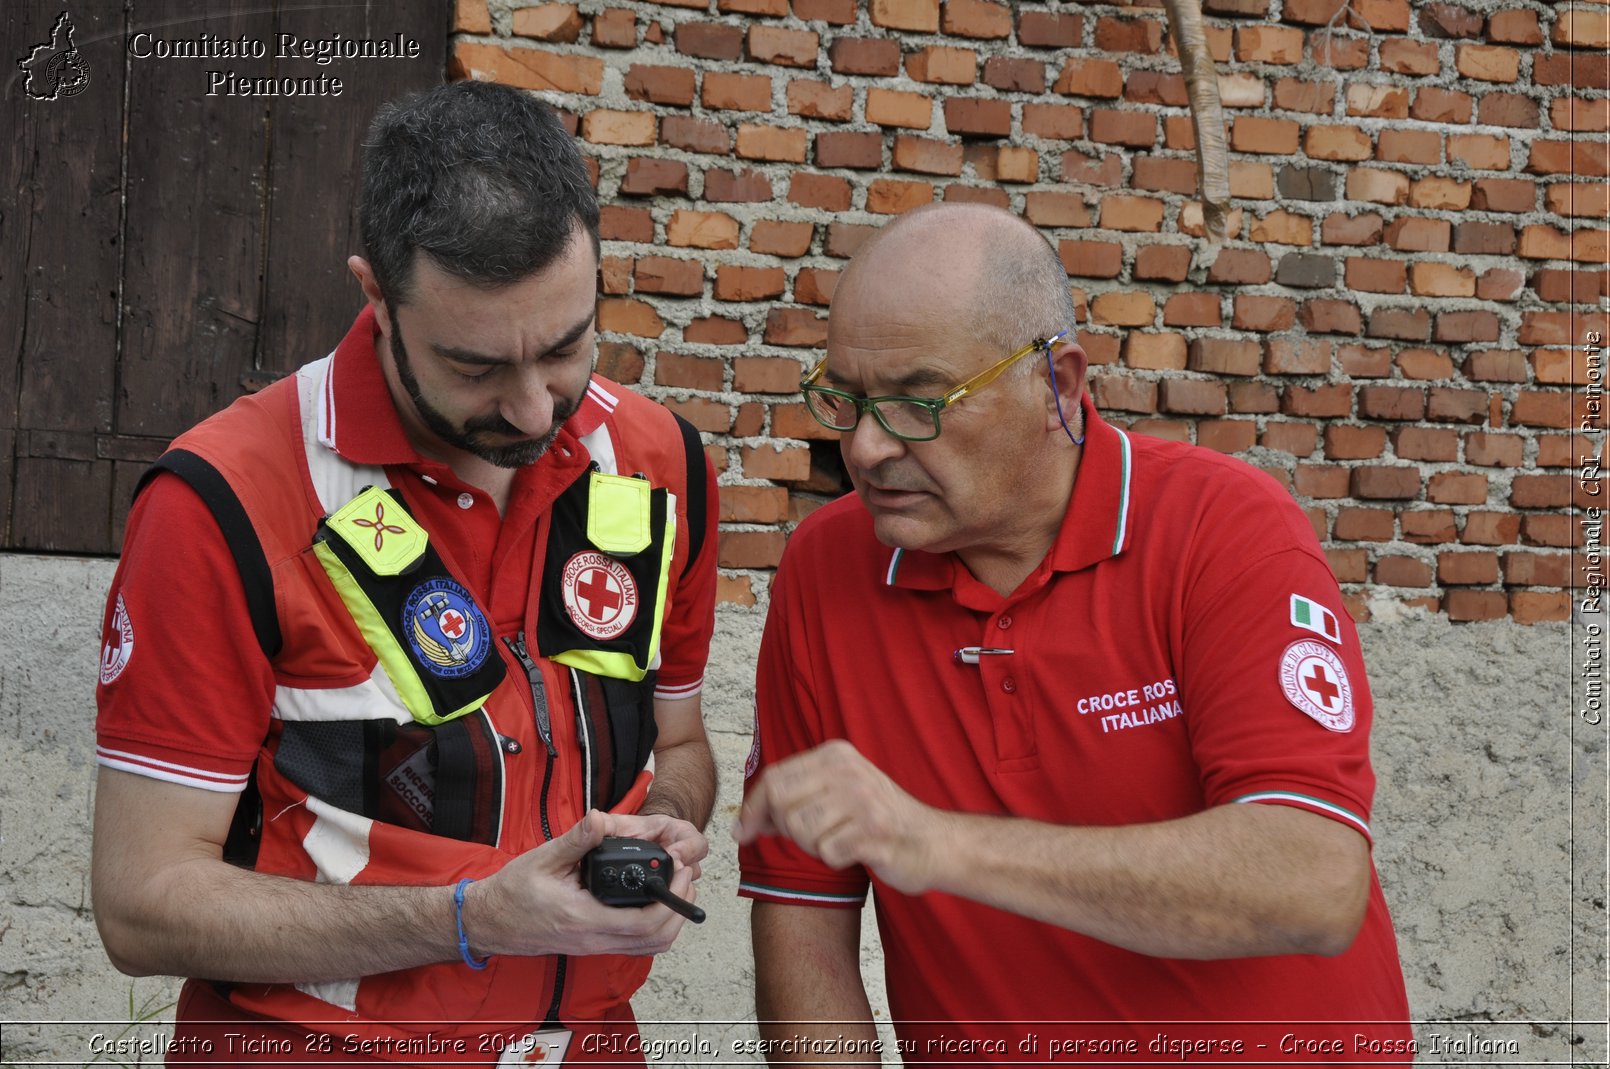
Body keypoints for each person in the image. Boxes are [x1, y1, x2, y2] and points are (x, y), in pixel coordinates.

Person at [91, 81, 718, 1065]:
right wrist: (470, 918)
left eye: (564, 347)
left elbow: (677, 744)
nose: (528, 408)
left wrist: (665, 830)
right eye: (473, 367)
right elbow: (143, 904)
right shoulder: (226, 501)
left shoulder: (659, 461)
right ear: (375, 296)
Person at [735, 203, 1414, 1064]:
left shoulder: (1225, 529)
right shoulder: (825, 569)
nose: (866, 447)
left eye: (919, 401)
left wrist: (934, 842)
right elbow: (803, 914)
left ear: (1057, 383)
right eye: (848, 399)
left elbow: (1310, 879)